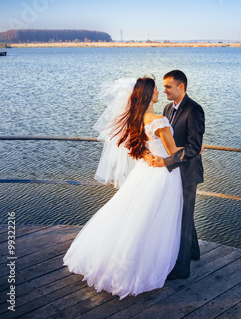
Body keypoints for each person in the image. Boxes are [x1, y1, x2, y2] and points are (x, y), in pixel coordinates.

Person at [63, 77, 185, 299]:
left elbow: (135, 147)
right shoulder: (159, 121)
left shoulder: (137, 120)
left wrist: (148, 154)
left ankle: (118, 261)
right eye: (156, 89)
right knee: (156, 220)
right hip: (163, 176)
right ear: (148, 95)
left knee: (135, 217)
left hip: (144, 172)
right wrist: (199, 148)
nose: (159, 92)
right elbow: (176, 153)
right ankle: (140, 268)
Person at [144, 70, 205, 280]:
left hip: (187, 172)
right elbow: (166, 140)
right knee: (183, 214)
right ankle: (194, 252)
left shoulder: (195, 110)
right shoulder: (167, 108)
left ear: (181, 87)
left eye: (168, 87)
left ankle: (180, 269)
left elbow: (194, 148)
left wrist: (166, 162)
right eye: (163, 87)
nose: (164, 90)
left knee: (184, 216)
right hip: (171, 173)